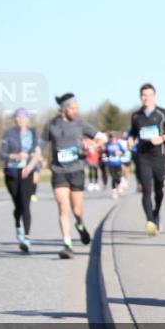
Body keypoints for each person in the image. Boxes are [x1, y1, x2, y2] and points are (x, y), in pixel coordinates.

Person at [43, 93, 107, 258]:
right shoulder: (51, 125)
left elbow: (102, 137)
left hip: (76, 170)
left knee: (77, 211)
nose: (75, 111)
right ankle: (67, 244)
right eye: (72, 108)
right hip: (58, 171)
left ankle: (80, 225)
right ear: (64, 109)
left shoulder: (80, 123)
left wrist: (95, 144)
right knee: (63, 207)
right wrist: (38, 159)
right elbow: (41, 144)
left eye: (76, 108)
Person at [128, 83, 165, 235]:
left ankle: (156, 213)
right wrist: (130, 139)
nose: (146, 98)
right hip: (143, 157)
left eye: (149, 95)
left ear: (154, 96)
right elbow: (133, 132)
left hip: (159, 156)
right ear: (140, 97)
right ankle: (150, 222)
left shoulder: (162, 113)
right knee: (146, 190)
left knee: (159, 190)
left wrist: (162, 138)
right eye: (144, 95)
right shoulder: (136, 116)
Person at [0, 108, 43, 252]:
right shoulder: (9, 134)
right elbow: (2, 154)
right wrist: (15, 156)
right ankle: (18, 226)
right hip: (11, 173)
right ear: (15, 119)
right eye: (18, 117)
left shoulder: (33, 133)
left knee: (25, 204)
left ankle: (27, 238)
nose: (21, 120)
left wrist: (30, 167)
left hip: (27, 172)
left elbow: (37, 153)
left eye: (23, 117)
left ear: (27, 119)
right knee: (18, 204)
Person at [104, 133, 126, 199]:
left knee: (118, 177)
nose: (113, 139)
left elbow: (123, 152)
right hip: (111, 163)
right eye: (112, 138)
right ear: (110, 139)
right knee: (113, 177)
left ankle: (119, 184)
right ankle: (114, 191)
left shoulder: (118, 144)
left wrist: (120, 153)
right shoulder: (107, 145)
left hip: (118, 163)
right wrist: (106, 154)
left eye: (114, 138)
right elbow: (105, 153)